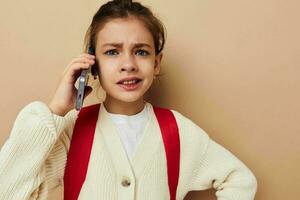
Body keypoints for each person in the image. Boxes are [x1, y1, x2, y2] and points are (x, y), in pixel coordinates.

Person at [0, 0, 257, 199]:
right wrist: (55, 111)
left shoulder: (178, 131)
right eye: (112, 52)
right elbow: (8, 192)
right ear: (93, 64)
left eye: (141, 52)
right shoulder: (72, 130)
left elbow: (240, 180)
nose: (128, 64)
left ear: (156, 63)